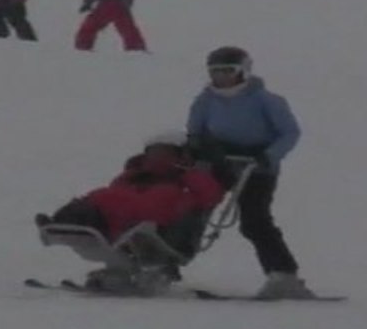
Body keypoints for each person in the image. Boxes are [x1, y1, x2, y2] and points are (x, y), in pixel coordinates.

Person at [186, 46, 314, 299]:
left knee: (254, 221)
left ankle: (284, 274)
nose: (221, 78)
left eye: (228, 72)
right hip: (220, 161)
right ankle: (163, 263)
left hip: (257, 166)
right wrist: (196, 151)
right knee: (192, 211)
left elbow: (289, 133)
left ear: (243, 72)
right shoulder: (206, 99)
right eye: (216, 72)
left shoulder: (265, 100)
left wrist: (269, 156)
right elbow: (195, 132)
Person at [37, 132, 229, 248]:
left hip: (155, 221)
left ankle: (71, 223)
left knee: (110, 200)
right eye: (154, 153)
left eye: (164, 153)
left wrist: (189, 173)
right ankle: (62, 223)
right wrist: (136, 171)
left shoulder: (187, 180)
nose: (158, 159)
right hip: (125, 213)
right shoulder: (138, 174)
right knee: (98, 198)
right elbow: (117, 186)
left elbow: (210, 195)